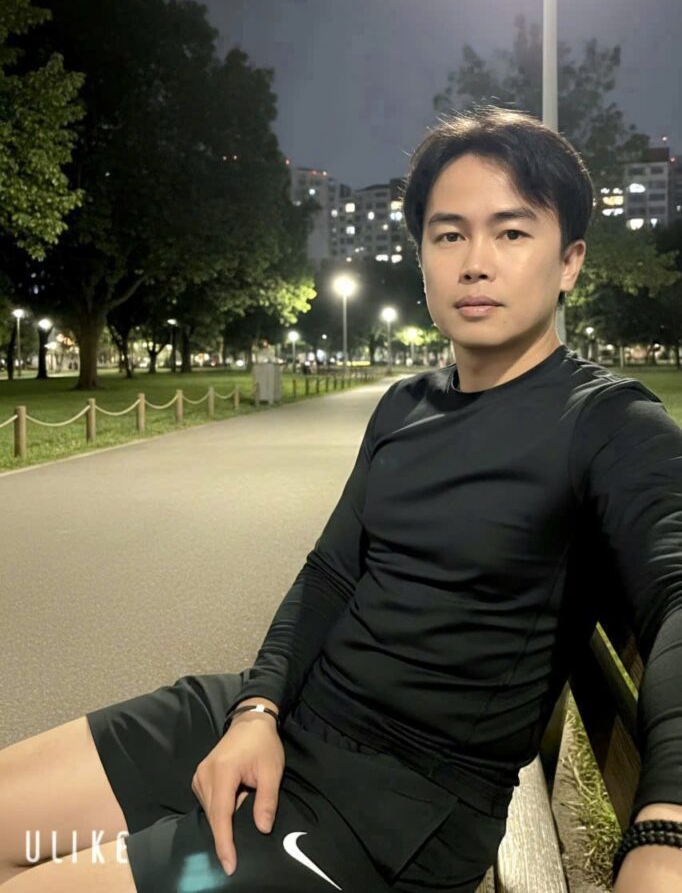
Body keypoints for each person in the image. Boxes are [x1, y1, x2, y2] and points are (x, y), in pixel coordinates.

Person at [2, 105, 682, 893]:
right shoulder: (405, 406)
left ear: (568, 262)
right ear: (423, 258)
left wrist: (666, 824)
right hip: (281, 717)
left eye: (512, 232)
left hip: (389, 808)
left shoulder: (610, 423)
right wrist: (257, 709)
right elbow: (329, 572)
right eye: (449, 235)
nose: (476, 262)